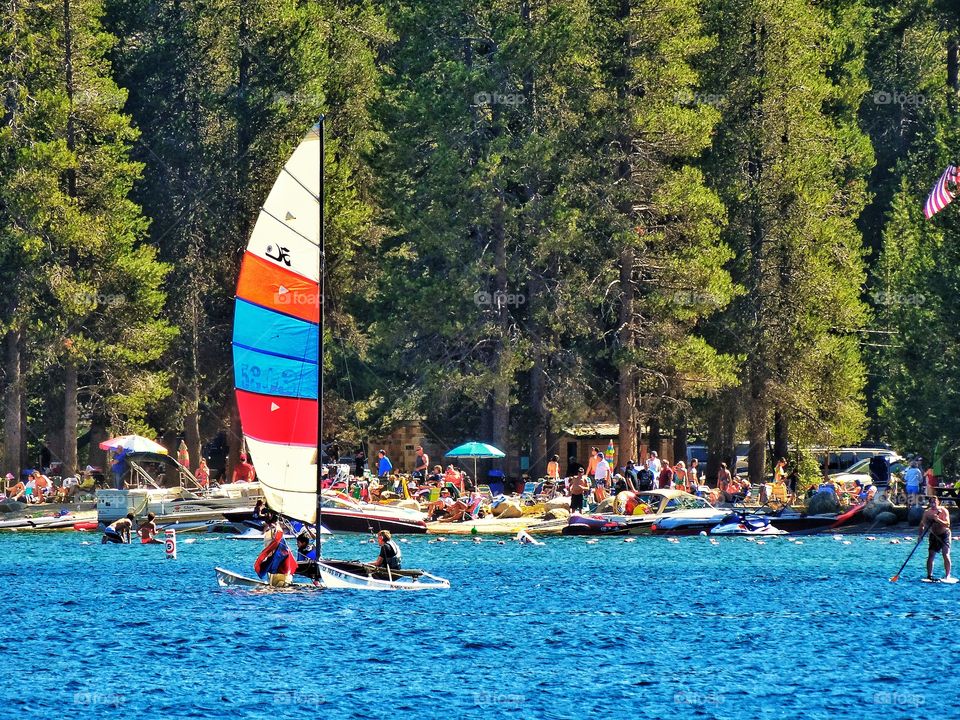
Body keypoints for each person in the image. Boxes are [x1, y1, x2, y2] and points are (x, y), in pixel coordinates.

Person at [919, 495, 952, 581]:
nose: (933, 504)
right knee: (931, 555)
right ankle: (929, 575)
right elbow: (922, 524)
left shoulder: (944, 511)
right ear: (929, 503)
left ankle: (947, 575)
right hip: (934, 535)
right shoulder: (927, 512)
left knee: (945, 554)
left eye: (934, 502)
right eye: (931, 502)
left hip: (945, 534)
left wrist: (938, 520)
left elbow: (947, 524)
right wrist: (920, 536)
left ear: (938, 502)